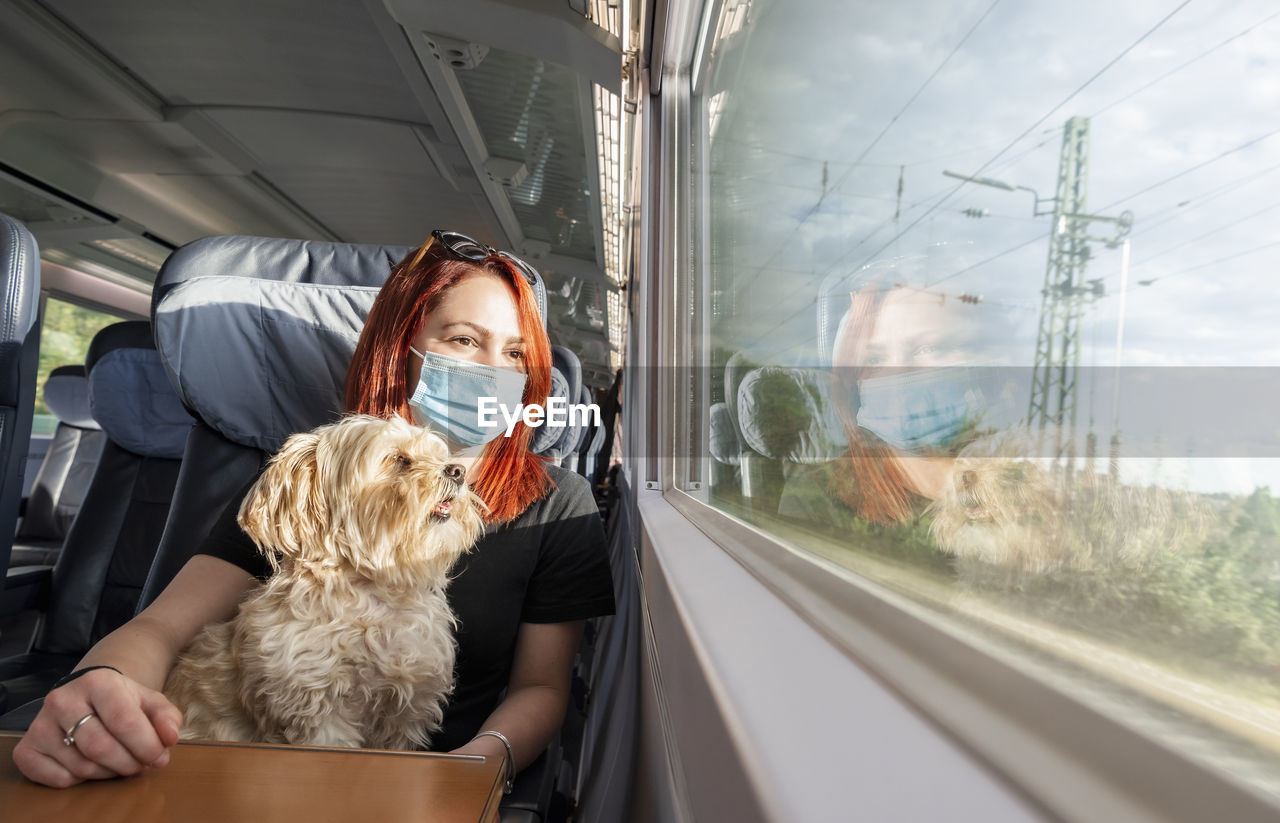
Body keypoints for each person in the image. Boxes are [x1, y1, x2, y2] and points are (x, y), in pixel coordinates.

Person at [12, 230, 616, 790]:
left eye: (516, 353)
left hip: (431, 776)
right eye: (464, 339)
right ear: (400, 347)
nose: (493, 369)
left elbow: (541, 687)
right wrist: (100, 686)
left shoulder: (560, 506)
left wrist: (473, 765)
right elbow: (162, 628)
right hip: (250, 769)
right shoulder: (317, 480)